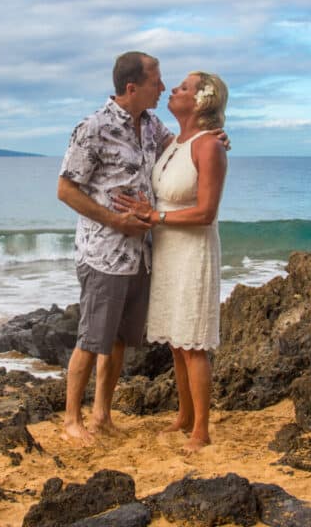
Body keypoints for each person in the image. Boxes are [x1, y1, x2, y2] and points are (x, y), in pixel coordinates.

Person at [56, 51, 173, 445]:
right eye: (156, 81)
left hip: (140, 254)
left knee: (120, 339)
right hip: (103, 253)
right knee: (92, 339)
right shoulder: (94, 128)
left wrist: (212, 136)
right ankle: (72, 420)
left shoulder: (154, 125)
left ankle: (102, 415)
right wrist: (116, 221)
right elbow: (66, 189)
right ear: (132, 87)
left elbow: (181, 152)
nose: (163, 87)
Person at [114, 71, 229, 453]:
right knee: (178, 342)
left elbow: (206, 213)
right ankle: (183, 415)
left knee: (193, 341)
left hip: (192, 250)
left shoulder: (207, 146)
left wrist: (155, 217)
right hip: (167, 249)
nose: (173, 91)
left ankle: (202, 430)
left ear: (200, 101)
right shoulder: (174, 141)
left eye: (182, 88)